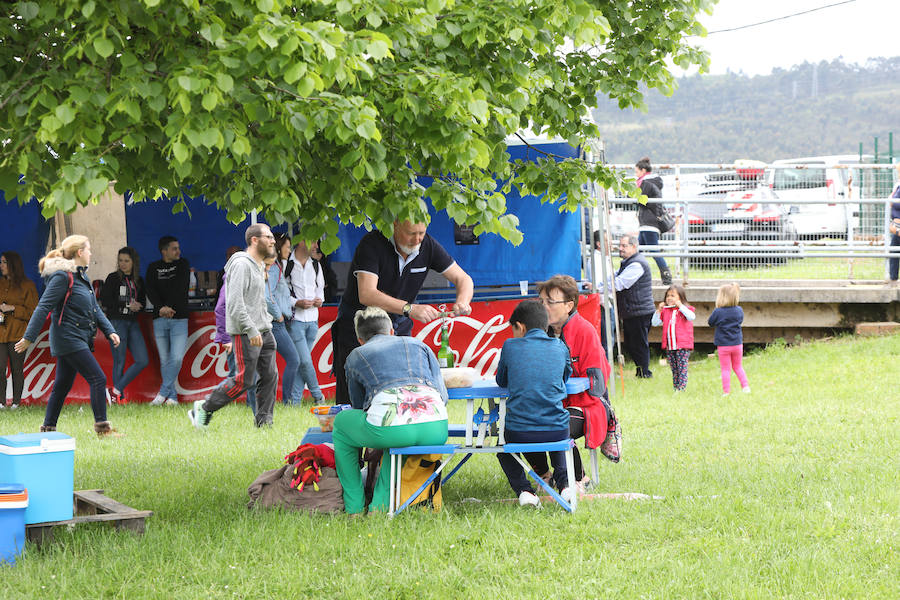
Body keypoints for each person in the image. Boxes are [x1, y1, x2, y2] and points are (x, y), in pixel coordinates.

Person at [332, 206, 474, 406]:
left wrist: (463, 301)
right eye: (411, 233)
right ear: (395, 225)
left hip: (398, 329)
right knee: (352, 398)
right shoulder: (372, 244)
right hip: (360, 329)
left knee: (400, 392)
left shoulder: (428, 246)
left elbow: (463, 279)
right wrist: (410, 309)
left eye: (421, 233)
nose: (417, 240)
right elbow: (367, 293)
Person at [331, 307, 449, 515]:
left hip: (390, 430)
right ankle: (379, 507)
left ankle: (354, 506)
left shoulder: (357, 354)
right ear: (392, 331)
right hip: (437, 428)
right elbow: (443, 395)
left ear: (360, 339)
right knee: (395, 440)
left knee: (341, 424)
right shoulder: (421, 345)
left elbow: (360, 407)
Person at [15, 235, 122, 436]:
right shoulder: (62, 277)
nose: (91, 253)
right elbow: (43, 306)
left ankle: (48, 429)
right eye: (89, 249)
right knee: (98, 378)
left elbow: (95, 309)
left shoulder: (81, 276)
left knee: (62, 385)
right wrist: (29, 337)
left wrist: (110, 331)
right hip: (68, 338)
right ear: (80, 253)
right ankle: (103, 428)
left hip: (76, 337)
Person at [189, 223, 278, 429]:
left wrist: (265, 324)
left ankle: (265, 423)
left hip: (265, 331)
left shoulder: (258, 265)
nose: (273, 241)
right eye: (268, 237)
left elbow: (257, 301)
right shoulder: (241, 264)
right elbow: (235, 304)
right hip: (247, 333)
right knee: (243, 381)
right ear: (254, 240)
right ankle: (204, 408)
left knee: (270, 377)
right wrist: (251, 328)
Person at [495, 299, 574, 507]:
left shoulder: (510, 346)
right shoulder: (560, 346)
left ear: (520, 327)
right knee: (557, 430)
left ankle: (525, 491)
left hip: (519, 431)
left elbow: (501, 381)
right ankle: (565, 485)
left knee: (503, 449)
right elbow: (564, 377)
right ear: (546, 325)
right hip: (557, 429)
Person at [535, 275, 612, 490]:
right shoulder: (540, 333)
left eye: (550, 302)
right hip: (555, 405)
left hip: (589, 406)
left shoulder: (585, 331)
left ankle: (579, 479)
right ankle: (545, 475)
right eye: (541, 302)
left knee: (555, 423)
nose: (544, 307)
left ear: (569, 305)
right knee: (520, 423)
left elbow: (597, 385)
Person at [145, 235, 190, 406]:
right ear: (164, 251)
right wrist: (161, 307)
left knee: (176, 358)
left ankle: (162, 393)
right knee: (165, 359)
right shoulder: (153, 267)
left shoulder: (183, 264)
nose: (178, 251)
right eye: (174, 248)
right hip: (159, 318)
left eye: (178, 248)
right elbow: (150, 289)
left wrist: (168, 306)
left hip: (179, 318)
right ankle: (172, 397)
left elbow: (181, 286)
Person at [99, 247, 148, 404]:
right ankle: (119, 398)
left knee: (142, 359)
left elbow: (144, 302)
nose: (123, 264)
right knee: (119, 361)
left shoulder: (139, 280)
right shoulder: (113, 278)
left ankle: (115, 391)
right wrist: (128, 305)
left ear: (134, 262)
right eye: (120, 260)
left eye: (126, 261)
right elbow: (105, 301)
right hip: (117, 322)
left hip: (133, 322)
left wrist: (138, 306)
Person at [284, 238, 325, 402]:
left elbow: (321, 290)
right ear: (301, 241)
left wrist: (319, 300)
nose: (316, 246)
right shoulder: (287, 264)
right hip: (296, 320)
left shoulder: (316, 265)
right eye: (313, 242)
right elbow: (280, 293)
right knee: (305, 362)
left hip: (313, 320)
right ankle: (318, 396)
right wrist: (296, 302)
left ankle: (295, 401)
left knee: (303, 362)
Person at [213, 272, 256, 413]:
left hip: (245, 333)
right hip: (235, 334)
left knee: (249, 375)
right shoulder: (235, 275)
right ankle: (206, 403)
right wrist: (225, 338)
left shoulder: (249, 274)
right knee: (237, 376)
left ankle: (253, 407)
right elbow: (220, 308)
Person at [0, 251, 38, 409]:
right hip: (1, 333)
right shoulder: (0, 283)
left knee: (16, 369)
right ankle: (1, 402)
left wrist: (13, 308)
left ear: (12, 265)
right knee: (0, 369)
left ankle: (16, 402)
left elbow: (34, 311)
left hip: (18, 334)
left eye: (3, 262)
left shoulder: (27, 285)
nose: (1, 266)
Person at [614, 234, 655, 378]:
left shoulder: (636, 264)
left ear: (634, 247)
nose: (620, 249)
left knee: (638, 344)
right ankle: (641, 371)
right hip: (633, 310)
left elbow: (620, 283)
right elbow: (615, 277)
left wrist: (599, 287)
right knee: (632, 344)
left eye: (624, 246)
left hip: (639, 311)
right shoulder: (629, 262)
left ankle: (644, 373)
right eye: (620, 245)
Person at [265, 241, 301, 406]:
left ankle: (269, 401)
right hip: (276, 322)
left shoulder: (277, 266)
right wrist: (278, 315)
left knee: (266, 365)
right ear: (278, 248)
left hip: (275, 321)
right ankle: (287, 401)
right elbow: (268, 295)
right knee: (293, 359)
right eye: (287, 246)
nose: (290, 249)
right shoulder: (273, 267)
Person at [634, 157, 672, 285]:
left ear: (643, 171)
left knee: (653, 251)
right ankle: (635, 275)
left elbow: (640, 200)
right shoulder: (653, 182)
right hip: (649, 222)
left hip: (648, 223)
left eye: (637, 172)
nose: (636, 175)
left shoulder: (646, 183)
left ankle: (666, 275)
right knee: (637, 251)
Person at [708, 282, 750, 395]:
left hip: (723, 345)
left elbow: (710, 322)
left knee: (726, 369)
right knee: (738, 366)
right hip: (737, 344)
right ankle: (745, 386)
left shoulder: (718, 312)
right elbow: (740, 320)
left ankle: (726, 391)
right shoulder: (739, 310)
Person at [652, 284, 695, 392]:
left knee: (682, 368)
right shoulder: (666, 311)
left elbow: (691, 316)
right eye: (667, 296)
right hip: (670, 345)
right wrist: (658, 310)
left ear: (680, 297)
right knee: (674, 368)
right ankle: (676, 388)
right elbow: (655, 323)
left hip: (682, 345)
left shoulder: (685, 309)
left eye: (673, 295)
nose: (669, 298)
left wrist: (680, 306)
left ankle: (682, 388)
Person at [591, 229, 616, 354]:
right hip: (604, 303)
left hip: (607, 302)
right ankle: (607, 369)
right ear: (599, 243)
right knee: (607, 339)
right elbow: (600, 284)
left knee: (609, 337)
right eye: (607, 240)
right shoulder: (597, 260)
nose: (610, 243)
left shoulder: (603, 258)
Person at [888, 166, 900, 287]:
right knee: (894, 250)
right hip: (896, 223)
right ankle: (893, 278)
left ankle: (893, 278)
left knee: (895, 249)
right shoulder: (898, 185)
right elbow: (891, 201)